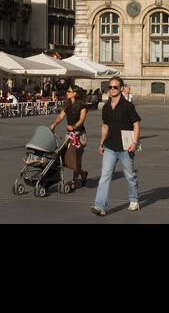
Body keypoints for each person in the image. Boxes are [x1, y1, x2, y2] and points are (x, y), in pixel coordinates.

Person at [91, 76, 141, 216]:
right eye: (110, 87)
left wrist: (135, 142)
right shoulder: (106, 107)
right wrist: (101, 143)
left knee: (130, 176)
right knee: (105, 176)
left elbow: (136, 124)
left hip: (126, 147)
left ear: (121, 89)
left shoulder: (128, 106)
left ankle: (134, 199)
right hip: (110, 147)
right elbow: (105, 126)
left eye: (115, 87)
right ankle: (100, 205)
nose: (112, 89)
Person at [49, 84, 89, 191]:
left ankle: (73, 182)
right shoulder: (67, 104)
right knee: (68, 158)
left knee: (77, 159)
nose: (67, 93)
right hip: (70, 135)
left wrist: (74, 126)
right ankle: (83, 173)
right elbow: (61, 116)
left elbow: (82, 119)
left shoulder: (82, 105)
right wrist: (54, 124)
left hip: (80, 135)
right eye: (67, 91)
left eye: (69, 91)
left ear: (75, 93)